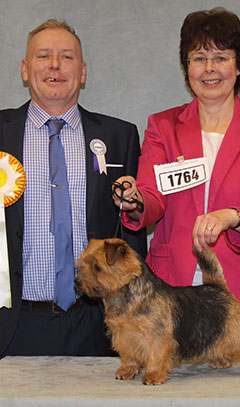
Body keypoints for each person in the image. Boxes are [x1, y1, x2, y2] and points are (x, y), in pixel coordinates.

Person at [112, 7, 240, 355]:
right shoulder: (162, 127)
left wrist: (233, 216)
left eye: (221, 57)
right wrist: (135, 201)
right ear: (187, 66)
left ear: (239, 65)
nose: (209, 68)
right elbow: (152, 196)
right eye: (199, 57)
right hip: (173, 301)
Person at [0, 19, 146, 358]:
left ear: (82, 72)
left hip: (101, 323)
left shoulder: (119, 137)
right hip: (13, 324)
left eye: (66, 57)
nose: (54, 65)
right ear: (25, 69)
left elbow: (132, 234)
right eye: (43, 56)